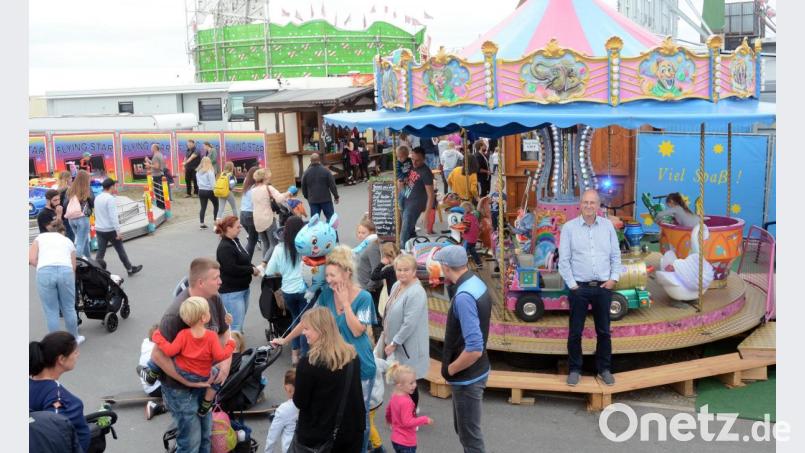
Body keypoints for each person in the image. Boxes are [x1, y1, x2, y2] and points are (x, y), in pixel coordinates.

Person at [272, 246, 376, 450]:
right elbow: (309, 320)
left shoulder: (364, 298)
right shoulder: (327, 295)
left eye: (332, 275)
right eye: (326, 275)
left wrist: (346, 304)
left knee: (358, 417)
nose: (328, 280)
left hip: (358, 363)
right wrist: (285, 340)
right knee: (336, 412)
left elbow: (357, 331)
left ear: (347, 273)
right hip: (334, 361)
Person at [149, 257, 232, 453]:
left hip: (204, 380)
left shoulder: (214, 298)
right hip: (180, 389)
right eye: (216, 278)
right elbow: (157, 355)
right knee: (190, 443)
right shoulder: (176, 314)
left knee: (205, 438)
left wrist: (225, 364)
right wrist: (188, 382)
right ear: (201, 282)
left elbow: (224, 332)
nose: (220, 282)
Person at [558, 189, 621, 387]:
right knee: (575, 332)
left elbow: (615, 255)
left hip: (603, 287)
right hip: (580, 288)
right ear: (580, 205)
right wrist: (572, 285)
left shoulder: (608, 227)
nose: (588, 206)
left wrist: (613, 279)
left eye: (592, 202)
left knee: (604, 331)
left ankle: (604, 369)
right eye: (585, 202)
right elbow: (564, 260)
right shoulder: (569, 228)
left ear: (598, 205)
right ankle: (575, 369)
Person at [432, 245, 492, 453]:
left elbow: (474, 348)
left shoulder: (464, 296)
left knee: (470, 438)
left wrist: (451, 370)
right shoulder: (475, 282)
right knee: (465, 430)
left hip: (468, 378)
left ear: (446, 267)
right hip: (478, 371)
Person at [290, 307, 366, 452]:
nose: (303, 332)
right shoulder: (351, 356)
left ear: (321, 330)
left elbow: (300, 402)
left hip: (319, 437)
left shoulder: (308, 364)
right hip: (351, 432)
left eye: (307, 328)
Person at [151, 297, 237, 416]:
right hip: (202, 375)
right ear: (204, 317)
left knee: (162, 355)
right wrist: (231, 345)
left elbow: (170, 351)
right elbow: (220, 356)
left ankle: (152, 372)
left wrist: (158, 337)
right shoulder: (211, 336)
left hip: (183, 372)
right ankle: (206, 404)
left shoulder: (183, 334)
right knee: (218, 376)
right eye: (208, 311)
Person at [379, 254, 430, 406]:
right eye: (399, 269)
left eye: (406, 270)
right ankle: (403, 411)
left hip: (409, 346)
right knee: (400, 381)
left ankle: (411, 413)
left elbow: (409, 323)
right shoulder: (397, 285)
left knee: (409, 383)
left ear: (414, 271)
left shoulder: (417, 292)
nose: (402, 273)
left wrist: (394, 342)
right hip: (397, 344)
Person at [29, 331, 91, 452]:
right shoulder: (59, 398)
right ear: (61, 359)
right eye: (75, 352)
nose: (78, 355)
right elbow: (56, 436)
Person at [29, 219, 83, 345]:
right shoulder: (68, 241)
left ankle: (55, 343)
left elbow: (31, 259)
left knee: (51, 310)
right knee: (69, 308)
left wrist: (43, 266)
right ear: (62, 231)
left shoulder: (40, 238)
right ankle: (74, 338)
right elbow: (73, 266)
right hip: (66, 271)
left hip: (45, 272)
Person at [265, 215, 308, 363]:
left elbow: (269, 271)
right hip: (305, 290)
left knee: (296, 319)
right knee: (306, 322)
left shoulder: (279, 249)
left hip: (288, 291)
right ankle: (304, 355)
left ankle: (294, 354)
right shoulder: (306, 247)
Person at [216, 216, 259, 333]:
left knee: (238, 322)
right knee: (235, 326)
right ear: (228, 228)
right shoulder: (225, 247)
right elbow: (232, 269)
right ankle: (235, 343)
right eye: (237, 227)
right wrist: (251, 270)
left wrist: (253, 267)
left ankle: (237, 340)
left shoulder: (235, 241)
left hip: (242, 289)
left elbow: (243, 259)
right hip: (232, 292)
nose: (240, 228)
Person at [94, 178, 143, 276]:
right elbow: (113, 216)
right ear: (112, 187)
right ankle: (129, 269)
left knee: (100, 252)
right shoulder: (110, 199)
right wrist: (118, 231)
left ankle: (95, 271)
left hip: (99, 228)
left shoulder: (97, 197)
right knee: (120, 250)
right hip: (110, 230)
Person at [385, 363, 434, 453]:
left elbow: (388, 412)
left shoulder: (394, 396)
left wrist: (389, 421)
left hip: (396, 439)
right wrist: (424, 419)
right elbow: (407, 422)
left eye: (415, 381)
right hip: (406, 442)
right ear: (400, 385)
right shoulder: (406, 402)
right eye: (411, 383)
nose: (415, 385)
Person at [253, 168, 290, 264]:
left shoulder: (253, 190)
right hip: (268, 218)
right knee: (274, 244)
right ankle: (264, 264)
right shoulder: (268, 188)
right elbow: (279, 199)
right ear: (265, 177)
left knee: (266, 244)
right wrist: (289, 192)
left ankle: (267, 266)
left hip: (257, 219)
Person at [355, 216, 383, 341]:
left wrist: (369, 286)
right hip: (364, 287)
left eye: (363, 233)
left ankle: (378, 342)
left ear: (372, 233)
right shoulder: (363, 246)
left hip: (371, 289)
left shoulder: (372, 247)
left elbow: (376, 269)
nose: (360, 235)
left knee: (374, 317)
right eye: (359, 232)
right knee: (364, 317)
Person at [400, 147, 435, 246]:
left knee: (404, 232)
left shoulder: (426, 172)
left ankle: (401, 251)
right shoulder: (411, 165)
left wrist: (426, 214)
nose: (414, 162)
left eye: (417, 160)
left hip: (414, 205)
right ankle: (413, 248)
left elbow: (431, 195)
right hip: (405, 200)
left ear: (423, 159)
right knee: (409, 230)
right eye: (413, 159)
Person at [264, 369, 299, 453]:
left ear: (288, 388)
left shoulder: (284, 409)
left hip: (291, 449)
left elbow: (272, 436)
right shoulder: (313, 404)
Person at [139, 324, 168, 421]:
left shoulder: (147, 344)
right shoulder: (156, 353)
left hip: (150, 383)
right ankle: (155, 406)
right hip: (155, 387)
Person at [300, 153, 340, 221]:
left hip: (313, 200)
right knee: (331, 219)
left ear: (310, 161)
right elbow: (332, 185)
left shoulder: (306, 173)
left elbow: (303, 187)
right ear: (319, 160)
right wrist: (336, 196)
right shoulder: (326, 171)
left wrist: (307, 197)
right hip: (326, 199)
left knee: (315, 222)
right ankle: (331, 228)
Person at [65, 170, 94, 259]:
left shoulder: (70, 189)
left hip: (71, 219)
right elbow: (92, 202)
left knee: (84, 240)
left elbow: (65, 204)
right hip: (82, 218)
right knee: (80, 243)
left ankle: (88, 260)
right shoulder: (87, 189)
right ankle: (76, 263)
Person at [239, 166, 260, 259]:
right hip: (250, 214)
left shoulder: (246, 182)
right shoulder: (255, 187)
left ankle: (244, 259)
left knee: (253, 238)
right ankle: (246, 260)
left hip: (243, 214)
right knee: (252, 241)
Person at [196, 156, 219, 230]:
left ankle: (202, 224)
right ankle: (215, 223)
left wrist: (201, 187)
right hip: (209, 190)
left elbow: (198, 182)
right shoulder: (210, 171)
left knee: (203, 207)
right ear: (209, 162)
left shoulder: (198, 172)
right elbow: (213, 183)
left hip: (201, 190)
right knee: (216, 205)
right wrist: (215, 191)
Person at [460, 202, 483, 268]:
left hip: (468, 238)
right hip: (474, 238)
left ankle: (461, 265)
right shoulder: (474, 217)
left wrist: (460, 229)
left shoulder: (466, 218)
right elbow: (477, 226)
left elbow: (465, 229)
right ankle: (479, 263)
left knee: (463, 251)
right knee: (472, 251)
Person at [55, 170, 75, 242]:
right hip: (68, 216)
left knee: (65, 238)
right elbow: (67, 204)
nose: (72, 180)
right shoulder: (68, 190)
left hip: (60, 216)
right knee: (71, 238)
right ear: (67, 179)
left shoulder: (57, 190)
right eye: (70, 178)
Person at [145, 143, 167, 209]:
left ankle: (160, 206)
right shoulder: (159, 154)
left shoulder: (156, 156)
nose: (151, 149)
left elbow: (157, 166)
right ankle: (162, 205)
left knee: (158, 191)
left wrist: (148, 165)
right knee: (161, 190)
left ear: (154, 148)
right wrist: (149, 161)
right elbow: (156, 164)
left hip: (156, 175)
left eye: (151, 148)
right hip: (160, 174)